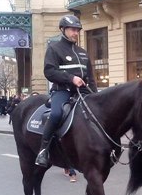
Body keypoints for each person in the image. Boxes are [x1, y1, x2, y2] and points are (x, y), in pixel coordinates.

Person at [35, 14, 97, 167]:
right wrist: (71, 79)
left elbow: (91, 77)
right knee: (56, 114)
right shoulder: (54, 49)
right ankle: (43, 150)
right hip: (62, 91)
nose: (75, 33)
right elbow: (49, 72)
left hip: (83, 92)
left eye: (77, 30)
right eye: (72, 30)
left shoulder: (83, 52)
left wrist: (95, 96)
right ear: (63, 30)